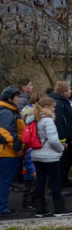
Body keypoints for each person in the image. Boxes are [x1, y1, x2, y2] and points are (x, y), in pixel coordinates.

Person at [28, 96, 72, 217]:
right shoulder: (48, 120)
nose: (54, 109)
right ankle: (59, 208)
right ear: (47, 107)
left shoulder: (34, 119)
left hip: (36, 154)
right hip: (50, 156)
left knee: (40, 181)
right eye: (53, 107)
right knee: (55, 181)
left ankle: (40, 209)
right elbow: (53, 140)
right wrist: (61, 148)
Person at [0, 87, 25, 218]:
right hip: (6, 153)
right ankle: (2, 209)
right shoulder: (7, 112)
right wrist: (18, 148)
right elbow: (8, 133)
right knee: (4, 181)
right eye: (16, 97)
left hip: (5, 151)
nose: (18, 99)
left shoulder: (7, 111)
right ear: (9, 99)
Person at [48, 81, 72, 189]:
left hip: (65, 138)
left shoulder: (62, 101)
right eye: (69, 89)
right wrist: (62, 139)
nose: (71, 91)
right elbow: (59, 122)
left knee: (64, 162)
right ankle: (56, 187)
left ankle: (62, 182)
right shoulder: (59, 103)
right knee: (61, 163)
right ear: (64, 91)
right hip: (61, 139)